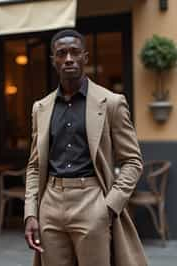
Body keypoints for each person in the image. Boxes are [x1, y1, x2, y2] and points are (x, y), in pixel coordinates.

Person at [24, 29, 147, 266]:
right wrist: (31, 212)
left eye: (74, 52)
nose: (68, 58)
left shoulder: (111, 103)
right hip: (50, 204)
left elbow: (132, 161)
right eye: (61, 53)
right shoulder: (41, 108)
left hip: (92, 201)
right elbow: (34, 166)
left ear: (85, 58)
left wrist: (109, 207)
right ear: (54, 61)